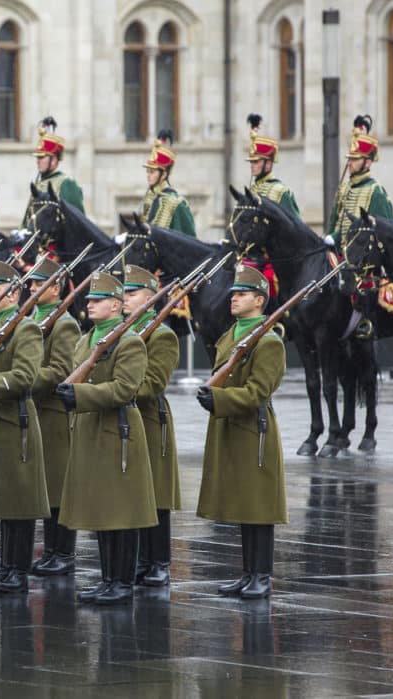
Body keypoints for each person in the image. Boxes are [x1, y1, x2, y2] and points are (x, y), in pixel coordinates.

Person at [55, 270, 157, 605]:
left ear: (116, 306)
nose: (90, 305)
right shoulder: (87, 339)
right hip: (90, 428)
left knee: (121, 511)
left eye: (98, 301)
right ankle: (107, 578)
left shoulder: (129, 341)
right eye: (89, 300)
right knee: (101, 509)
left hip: (119, 430)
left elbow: (125, 389)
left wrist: (81, 395)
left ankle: (122, 582)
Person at [196, 264, 286, 600]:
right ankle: (247, 572)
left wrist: (218, 399)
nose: (233, 298)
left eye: (242, 294)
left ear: (260, 300)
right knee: (242, 503)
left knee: (259, 506)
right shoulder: (232, 334)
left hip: (254, 430)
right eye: (233, 293)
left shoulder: (269, 342)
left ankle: (261, 575)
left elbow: (256, 393)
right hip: (231, 426)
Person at [0, 260, 49, 594]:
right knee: (0, 499)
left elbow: (24, 377)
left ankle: (16, 570)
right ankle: (4, 566)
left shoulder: (25, 328)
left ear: (14, 292)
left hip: (13, 421)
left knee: (18, 502)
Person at [123, 265, 180, 587]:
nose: (125, 300)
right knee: (134, 492)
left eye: (132, 294)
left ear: (151, 298)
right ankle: (141, 560)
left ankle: (159, 561)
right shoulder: (121, 331)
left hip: (148, 417)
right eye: (124, 294)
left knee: (156, 494)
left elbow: (154, 382)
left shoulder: (162, 335)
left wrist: (119, 388)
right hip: (125, 418)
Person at [27, 257, 81, 576]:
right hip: (37, 411)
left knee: (59, 486)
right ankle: (50, 550)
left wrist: (25, 379)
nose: (33, 289)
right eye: (31, 284)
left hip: (54, 413)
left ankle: (64, 551)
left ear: (56, 288)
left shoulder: (64, 323)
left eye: (39, 284)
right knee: (45, 486)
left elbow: (62, 370)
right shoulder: (34, 318)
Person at [327, 115, 393, 247]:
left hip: (364, 260)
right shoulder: (344, 188)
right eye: (350, 158)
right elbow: (334, 225)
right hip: (340, 255)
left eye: (355, 159)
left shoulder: (375, 192)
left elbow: (386, 233)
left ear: (368, 162)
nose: (350, 163)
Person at [21, 116, 85, 228]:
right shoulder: (38, 185)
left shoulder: (66, 184)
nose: (37, 161)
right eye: (37, 157)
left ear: (54, 161)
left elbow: (75, 224)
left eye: (42, 158)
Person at [141, 130, 196, 236]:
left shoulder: (177, 204)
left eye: (152, 172)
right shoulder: (150, 199)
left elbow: (188, 242)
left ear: (164, 175)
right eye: (147, 171)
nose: (148, 175)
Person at [245, 114, 300, 217]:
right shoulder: (251, 191)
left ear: (268, 164)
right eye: (251, 162)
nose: (252, 165)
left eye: (256, 162)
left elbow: (297, 226)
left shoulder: (280, 191)